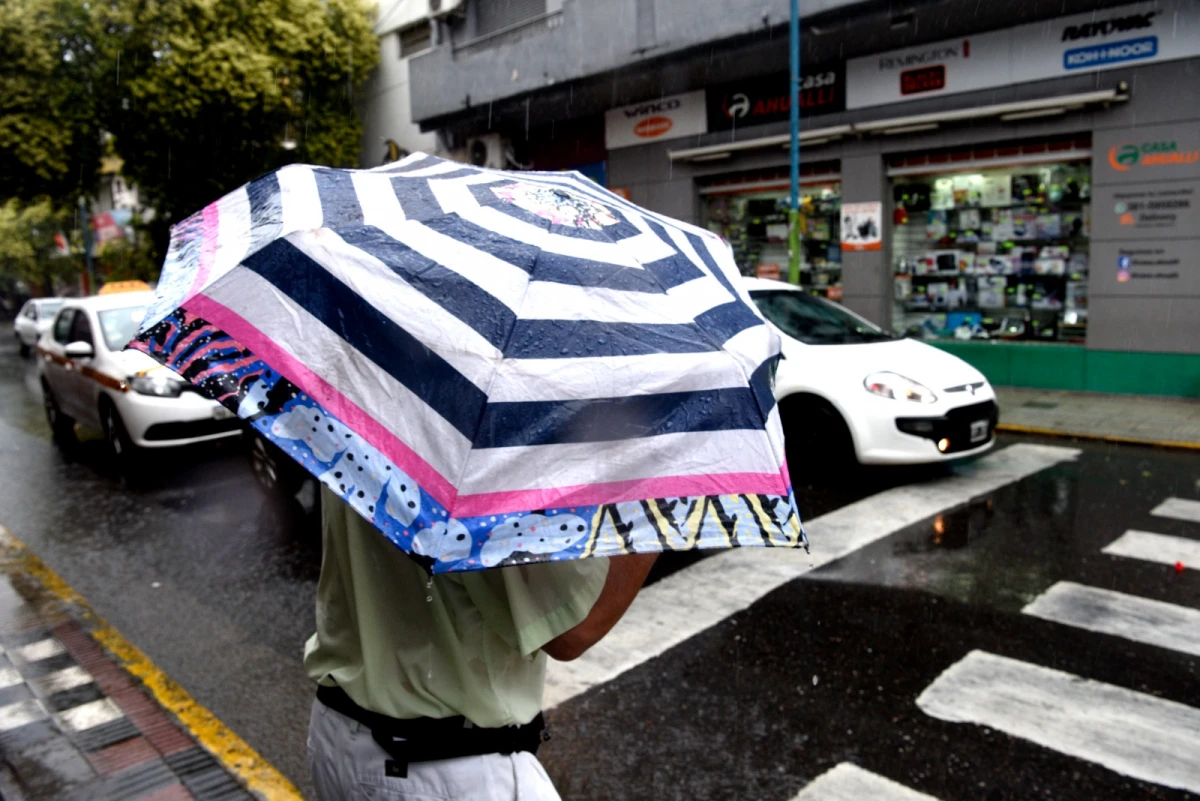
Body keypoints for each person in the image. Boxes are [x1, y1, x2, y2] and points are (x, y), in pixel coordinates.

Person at [305, 485, 659, 800]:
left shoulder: (373, 413)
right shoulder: (481, 462)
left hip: (338, 734)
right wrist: (658, 510)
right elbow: (573, 632)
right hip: (444, 770)